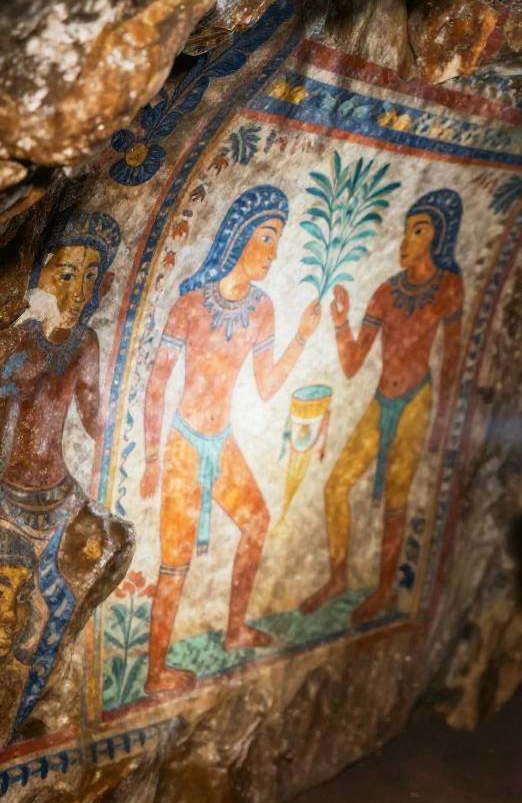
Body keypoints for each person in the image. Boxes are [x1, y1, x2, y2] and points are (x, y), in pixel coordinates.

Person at [142, 185, 321, 694]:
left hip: (222, 442)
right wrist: (153, 459)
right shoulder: (189, 305)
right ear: (238, 236)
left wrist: (302, 336)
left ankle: (236, 628)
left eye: (277, 240)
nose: (273, 252)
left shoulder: (263, 308)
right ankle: (155, 671)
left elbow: (265, 385)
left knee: (256, 522)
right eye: (266, 237)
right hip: (184, 444)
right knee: (174, 562)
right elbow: (157, 384)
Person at [300, 189, 464, 623]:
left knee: (396, 498)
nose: (407, 240)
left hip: (416, 401)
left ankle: (385, 591)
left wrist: (444, 420)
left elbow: (452, 358)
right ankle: (338, 576)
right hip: (381, 399)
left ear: (437, 238)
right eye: (407, 230)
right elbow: (353, 363)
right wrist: (340, 322)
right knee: (336, 485)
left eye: (419, 230)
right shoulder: (385, 292)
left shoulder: (449, 287)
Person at [0, 210, 132, 742]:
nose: (77, 291)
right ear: (42, 276)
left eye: (89, 276)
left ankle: (28, 704)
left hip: (60, 498)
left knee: (60, 604)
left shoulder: (83, 345)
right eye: (67, 274)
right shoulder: (18, 341)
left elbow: (98, 420)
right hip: (8, 499)